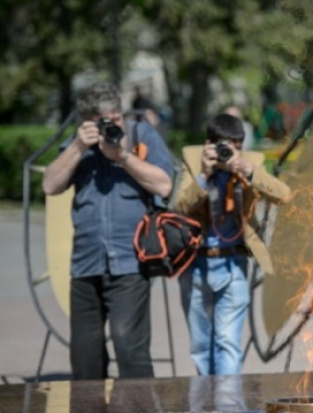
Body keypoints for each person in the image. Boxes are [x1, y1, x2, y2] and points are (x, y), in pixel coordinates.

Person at [42, 82, 174, 380]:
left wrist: (124, 158)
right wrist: (77, 147)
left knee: (130, 348)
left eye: (115, 118)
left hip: (130, 261)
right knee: (85, 355)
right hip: (86, 263)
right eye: (103, 121)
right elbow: (50, 185)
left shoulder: (141, 135)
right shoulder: (79, 145)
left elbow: (164, 184)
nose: (111, 126)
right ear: (87, 121)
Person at [174, 113, 292, 375]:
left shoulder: (249, 164)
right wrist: (204, 175)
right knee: (201, 345)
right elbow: (181, 206)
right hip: (196, 264)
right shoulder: (195, 163)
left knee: (228, 343)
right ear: (209, 145)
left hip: (234, 263)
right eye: (224, 147)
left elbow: (284, 195)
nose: (230, 153)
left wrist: (248, 171)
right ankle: (208, 407)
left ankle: (228, 408)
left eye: (236, 148)